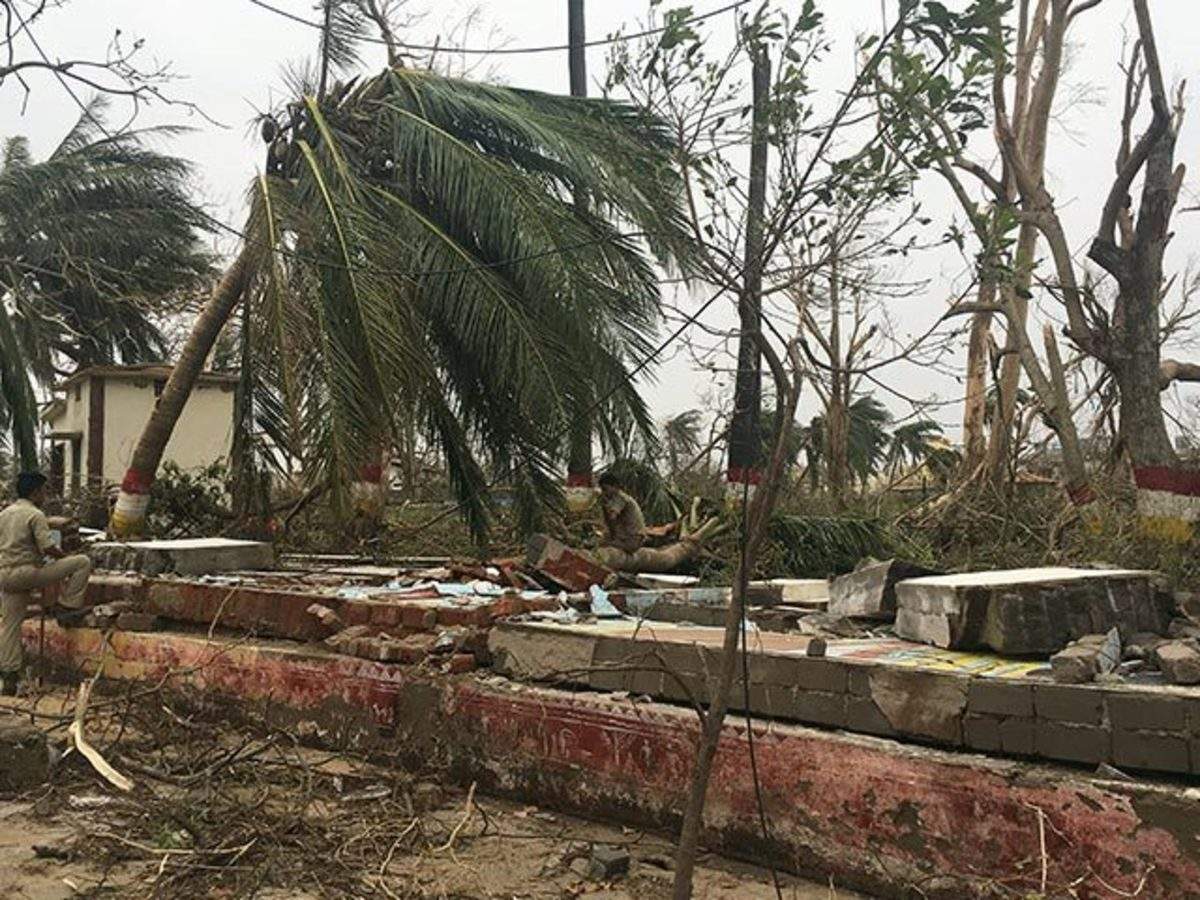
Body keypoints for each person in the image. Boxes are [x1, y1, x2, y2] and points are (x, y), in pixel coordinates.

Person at [0, 471, 93, 696]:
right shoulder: (35, 514)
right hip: (27, 571)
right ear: (35, 492)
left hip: (4, 574)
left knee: (10, 625)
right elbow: (47, 546)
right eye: (43, 491)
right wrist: (64, 556)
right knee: (82, 562)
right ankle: (67, 606)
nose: (45, 495)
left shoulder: (4, 514)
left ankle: (9, 677)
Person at [597, 471, 646, 554]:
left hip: (631, 540)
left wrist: (605, 506)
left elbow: (612, 517)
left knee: (599, 545)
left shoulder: (620, 498)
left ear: (615, 486)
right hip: (629, 538)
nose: (604, 492)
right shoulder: (617, 499)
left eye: (605, 489)